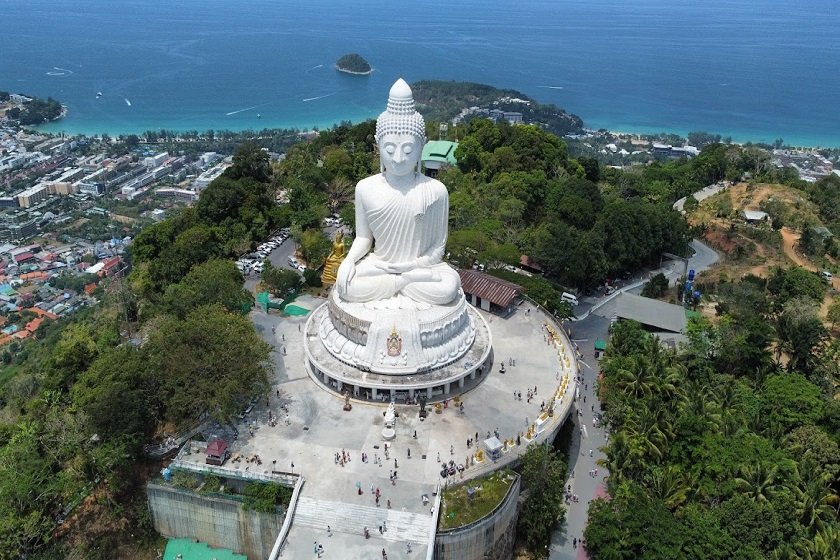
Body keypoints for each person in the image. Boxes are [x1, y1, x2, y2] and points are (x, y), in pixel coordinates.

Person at [335, 79, 461, 306]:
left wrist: (411, 267)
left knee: (448, 287)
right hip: (380, 265)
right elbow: (364, 238)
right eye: (390, 149)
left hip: (419, 269)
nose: (399, 158)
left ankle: (401, 282)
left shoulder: (436, 191)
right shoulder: (365, 187)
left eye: (408, 149)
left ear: (422, 144)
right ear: (377, 144)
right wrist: (349, 261)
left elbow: (437, 248)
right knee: (347, 286)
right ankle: (402, 283)